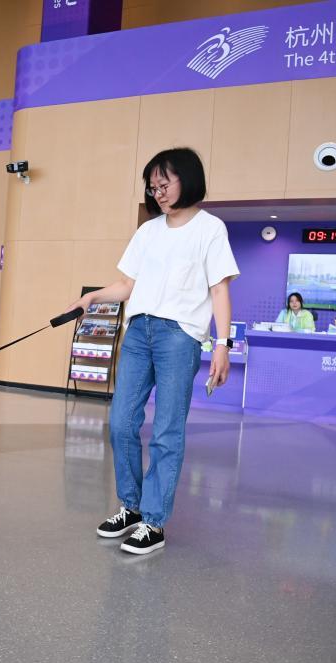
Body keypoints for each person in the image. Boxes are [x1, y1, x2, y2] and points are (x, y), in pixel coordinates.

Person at [68, 147, 239, 555]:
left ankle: (154, 521)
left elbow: (219, 289)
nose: (158, 193)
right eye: (152, 187)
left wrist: (222, 344)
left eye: (164, 184)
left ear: (187, 180)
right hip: (138, 331)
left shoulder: (210, 229)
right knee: (121, 423)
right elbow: (127, 285)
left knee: (166, 430)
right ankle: (130, 506)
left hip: (178, 336)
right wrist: (93, 297)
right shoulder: (148, 231)